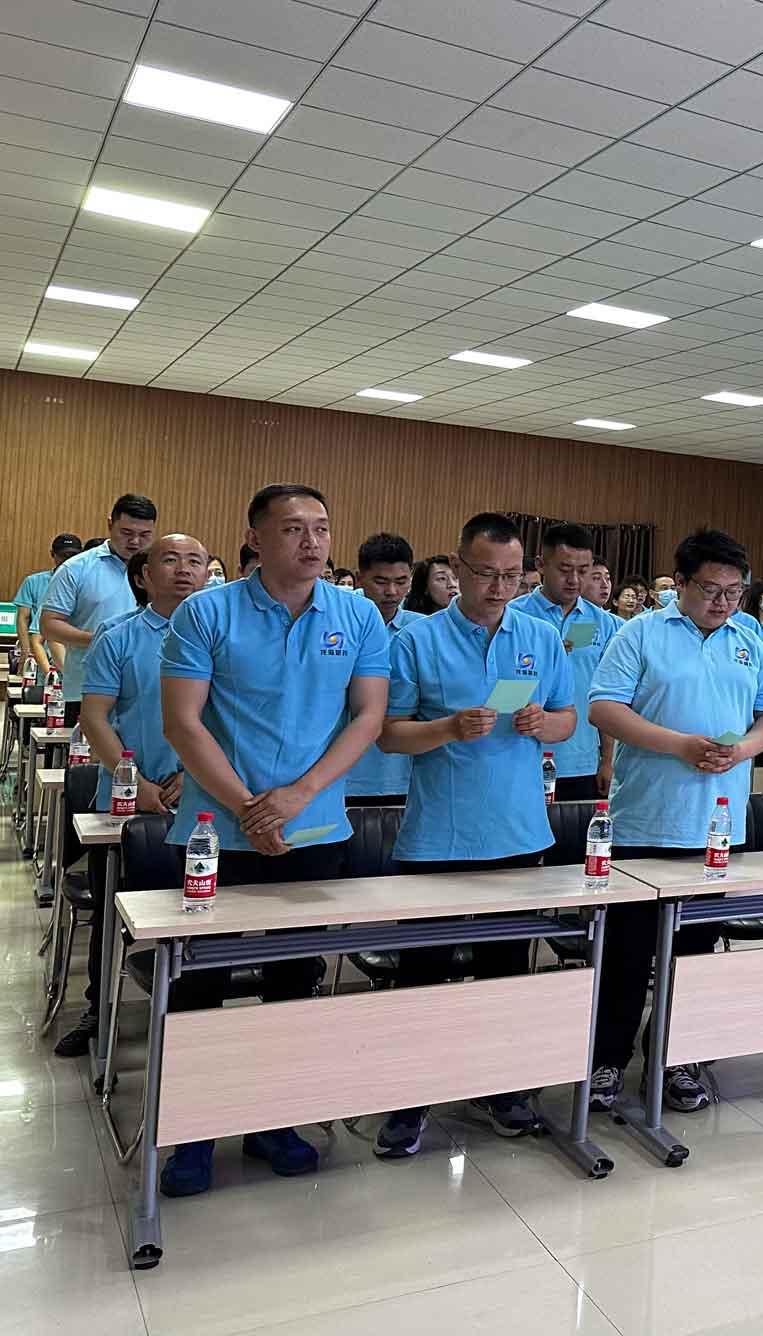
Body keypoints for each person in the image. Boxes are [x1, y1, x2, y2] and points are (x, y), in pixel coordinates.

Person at [157, 484, 389, 1195]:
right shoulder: (206, 612)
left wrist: (297, 796)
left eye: (321, 528)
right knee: (200, 984)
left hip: (315, 830)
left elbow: (367, 717)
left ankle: (272, 1120)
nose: (311, 542)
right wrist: (250, 809)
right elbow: (182, 724)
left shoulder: (357, 614)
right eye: (292, 529)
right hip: (215, 835)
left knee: (293, 981)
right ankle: (191, 1133)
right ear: (255, 539)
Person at [372, 513, 575, 1157]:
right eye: (485, 574)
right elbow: (388, 734)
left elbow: (569, 718)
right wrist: (447, 729)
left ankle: (500, 1089)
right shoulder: (418, 639)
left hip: (519, 834)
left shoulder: (539, 636)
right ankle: (408, 1100)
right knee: (422, 976)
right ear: (457, 569)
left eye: (512, 576)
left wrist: (545, 724)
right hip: (438, 837)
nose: (498, 588)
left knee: (505, 974)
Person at [587, 527, 763, 1114]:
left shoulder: (747, 638)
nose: (723, 602)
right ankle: (606, 1059)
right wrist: (677, 744)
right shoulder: (641, 633)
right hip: (646, 820)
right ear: (680, 584)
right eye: (710, 589)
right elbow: (604, 707)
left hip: (718, 826)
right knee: (626, 954)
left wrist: (743, 750)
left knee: (695, 954)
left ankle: (677, 1058)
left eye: (734, 591)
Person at [59, 536, 204, 1057]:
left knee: (201, 912)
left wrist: (195, 773)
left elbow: (226, 717)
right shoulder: (117, 635)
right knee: (112, 912)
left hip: (199, 795)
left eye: (195, 561)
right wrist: (133, 781)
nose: (184, 569)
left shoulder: (221, 635)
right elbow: (94, 716)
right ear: (143, 576)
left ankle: (194, 1012)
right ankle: (99, 1009)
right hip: (125, 796)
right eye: (170, 560)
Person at [511, 522, 620, 801]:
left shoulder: (605, 624)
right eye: (564, 569)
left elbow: (608, 697)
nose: (574, 580)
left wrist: (607, 759)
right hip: (519, 756)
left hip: (582, 762)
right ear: (541, 565)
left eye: (583, 571)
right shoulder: (512, 617)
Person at [40, 494, 155, 720]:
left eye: (145, 535)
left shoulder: (160, 571)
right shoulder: (76, 568)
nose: (135, 542)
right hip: (87, 688)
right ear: (110, 524)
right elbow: (49, 625)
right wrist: (102, 640)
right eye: (127, 533)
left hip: (146, 691)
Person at [347, 533, 421, 807]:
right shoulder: (337, 621)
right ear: (359, 578)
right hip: (339, 774)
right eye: (380, 581)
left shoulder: (422, 630)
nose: (391, 591)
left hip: (401, 775)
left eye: (401, 581)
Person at [12, 531, 82, 676]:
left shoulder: (83, 585)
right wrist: (26, 651)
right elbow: (23, 618)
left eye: (72, 556)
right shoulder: (33, 581)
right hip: (41, 652)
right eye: (63, 555)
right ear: (52, 554)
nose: (67, 560)